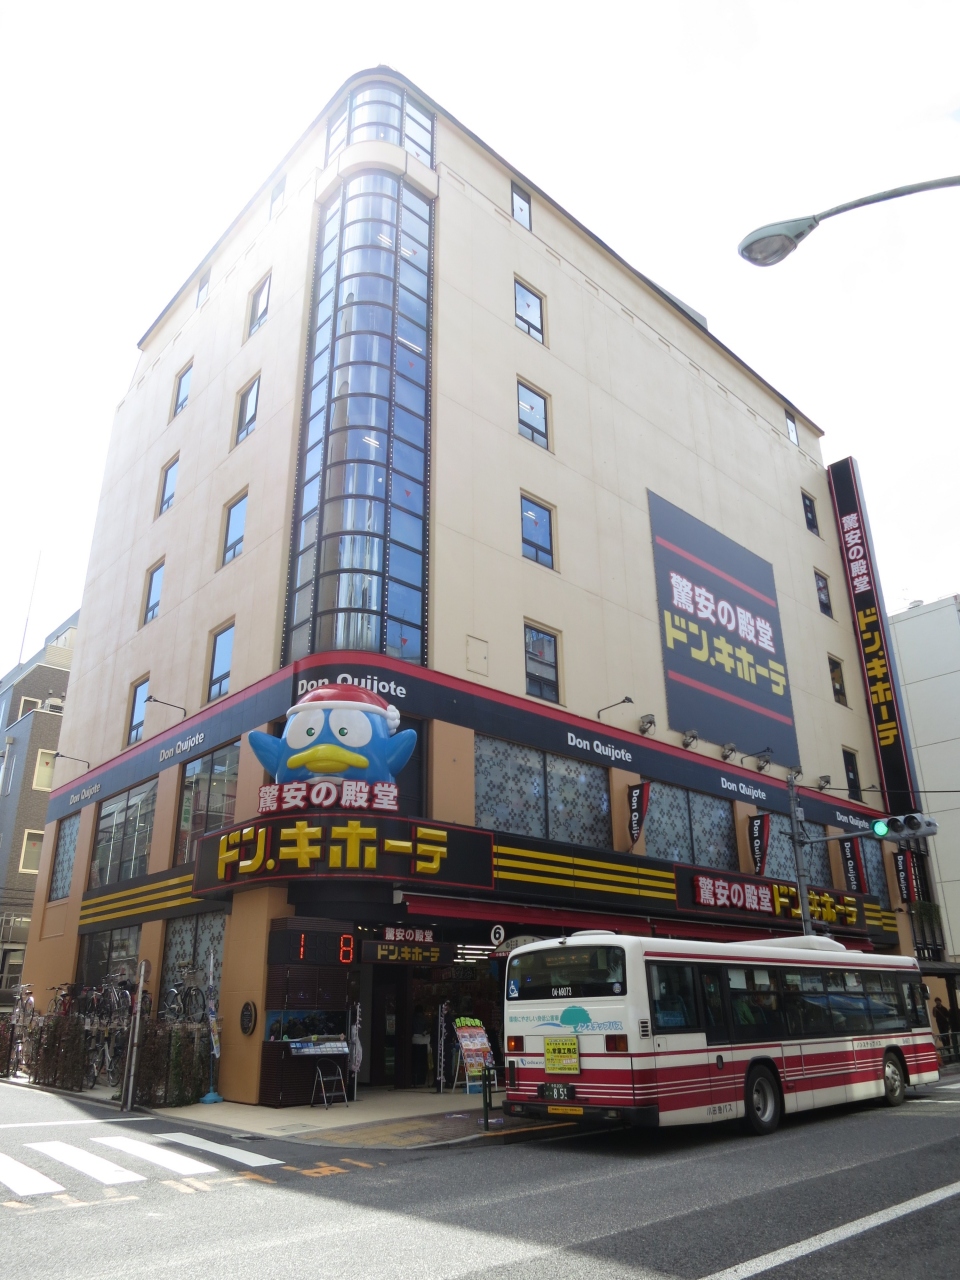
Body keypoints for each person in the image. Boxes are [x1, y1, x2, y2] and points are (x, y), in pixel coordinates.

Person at [411, 1005, 429, 1087]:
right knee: (423, 1062)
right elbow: (427, 1029)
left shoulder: (413, 1019)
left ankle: (414, 1079)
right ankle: (421, 1079)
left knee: (415, 1062)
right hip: (423, 1041)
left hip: (414, 1041)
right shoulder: (425, 1019)